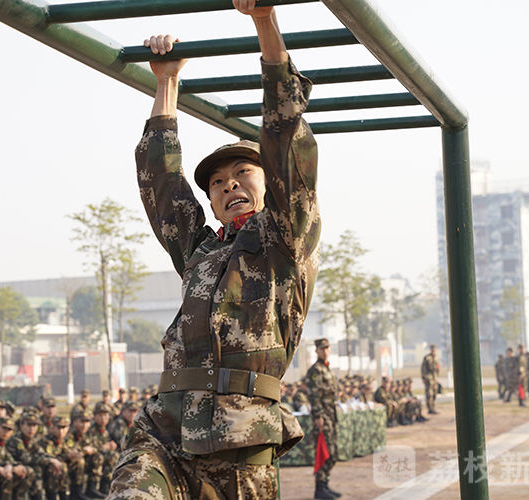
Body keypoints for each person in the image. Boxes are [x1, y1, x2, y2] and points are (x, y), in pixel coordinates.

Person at [109, 1, 319, 497]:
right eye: (218, 183)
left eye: (243, 173)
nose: (230, 185)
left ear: (268, 183)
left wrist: (264, 20)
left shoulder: (283, 242)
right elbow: (162, 184)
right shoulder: (201, 252)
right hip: (167, 431)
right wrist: (167, 81)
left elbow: (285, 138)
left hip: (239, 438)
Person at [305, 339, 340, 499]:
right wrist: (318, 416)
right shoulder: (316, 370)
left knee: (332, 453)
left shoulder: (328, 369)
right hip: (323, 417)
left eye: (327, 348)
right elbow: (314, 395)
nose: (325, 351)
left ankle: (325, 484)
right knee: (323, 451)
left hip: (331, 415)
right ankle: (319, 489)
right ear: (317, 351)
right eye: (322, 348)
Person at [421, 344, 440, 414]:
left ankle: (433, 407)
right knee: (429, 394)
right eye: (432, 349)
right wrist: (424, 378)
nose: (433, 351)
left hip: (435, 379)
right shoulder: (427, 358)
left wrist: (437, 376)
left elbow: (438, 368)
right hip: (429, 378)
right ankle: (430, 408)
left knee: (434, 393)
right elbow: (423, 368)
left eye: (434, 349)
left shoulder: (436, 358)